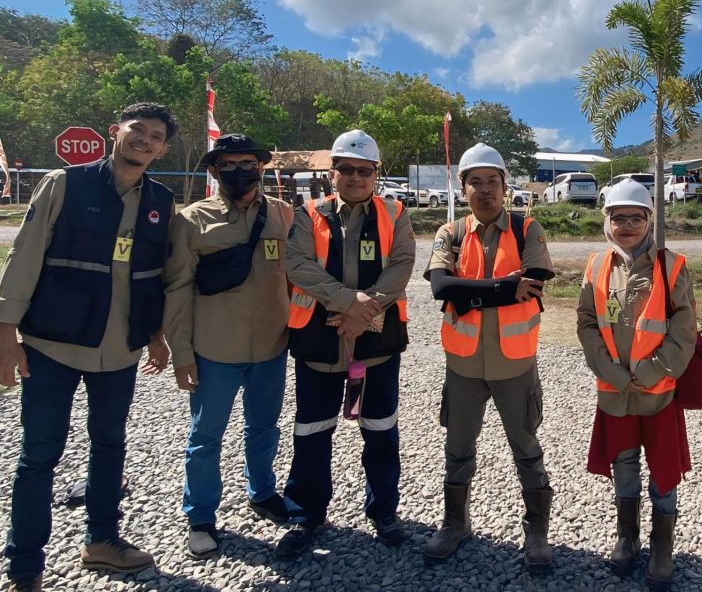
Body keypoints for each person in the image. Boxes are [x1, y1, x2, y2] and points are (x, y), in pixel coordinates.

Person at [0, 103, 177, 592]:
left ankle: (102, 541)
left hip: (120, 349)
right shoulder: (65, 184)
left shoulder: (161, 200)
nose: (145, 140)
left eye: (155, 136)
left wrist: (156, 335)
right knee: (38, 456)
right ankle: (25, 567)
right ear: (114, 132)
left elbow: (156, 275)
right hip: (52, 343)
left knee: (110, 445)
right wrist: (5, 334)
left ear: (163, 149)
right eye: (137, 130)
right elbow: (25, 254)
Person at [275, 129, 415, 559]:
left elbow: (402, 264)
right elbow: (296, 263)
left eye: (364, 170)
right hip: (321, 340)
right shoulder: (309, 213)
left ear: (376, 174)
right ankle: (306, 515)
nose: (355, 177)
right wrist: (347, 302)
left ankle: (384, 512)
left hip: (376, 342)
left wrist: (365, 310)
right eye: (347, 169)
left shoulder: (395, 212)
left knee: (380, 429)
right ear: (332, 173)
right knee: (313, 430)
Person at [424, 142, 555, 572]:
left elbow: (532, 283)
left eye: (492, 182)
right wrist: (502, 288)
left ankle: (537, 532)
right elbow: (442, 288)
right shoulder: (451, 233)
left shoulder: (527, 230)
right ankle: (454, 523)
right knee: (457, 448)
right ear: (463, 188)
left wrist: (470, 293)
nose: (485, 190)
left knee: (526, 448)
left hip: (514, 364)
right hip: (462, 364)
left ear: (504, 186)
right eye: (475, 182)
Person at [163, 133, 294, 559]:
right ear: (215, 171)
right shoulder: (191, 221)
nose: (241, 171)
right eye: (230, 164)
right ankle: (200, 516)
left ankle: (262, 492)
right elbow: (177, 288)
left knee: (264, 427)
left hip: (271, 346)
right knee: (205, 436)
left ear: (260, 167)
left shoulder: (282, 214)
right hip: (215, 350)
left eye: (248, 163)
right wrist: (181, 352)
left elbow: (297, 275)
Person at [577, 179, 696, 591]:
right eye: (618, 217)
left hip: (658, 391)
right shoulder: (595, 267)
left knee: (663, 470)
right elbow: (587, 323)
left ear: (649, 220)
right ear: (606, 220)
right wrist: (608, 370)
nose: (627, 225)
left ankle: (662, 546)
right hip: (614, 392)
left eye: (636, 217)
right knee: (623, 463)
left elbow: (684, 329)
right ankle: (626, 537)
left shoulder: (673, 266)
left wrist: (654, 371)